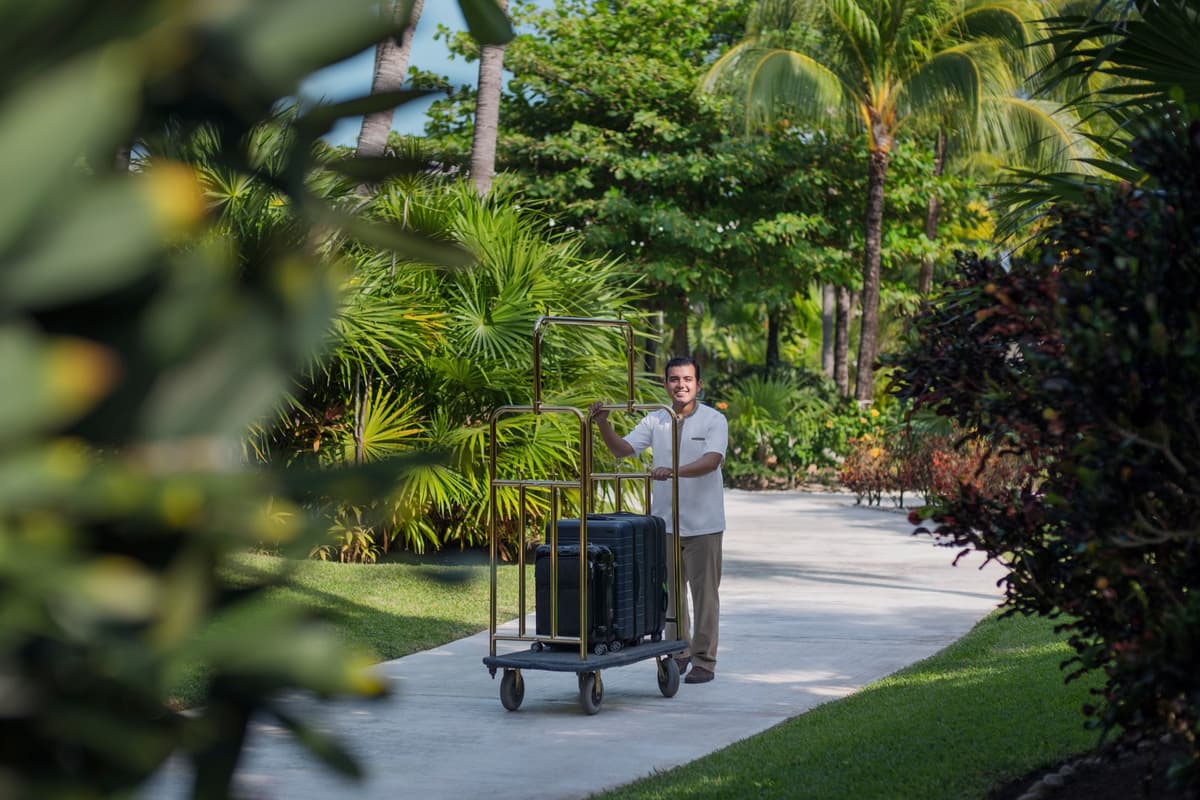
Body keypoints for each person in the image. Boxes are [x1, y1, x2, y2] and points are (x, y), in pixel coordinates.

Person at [589, 356, 728, 684]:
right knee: (671, 595)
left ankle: (704, 660)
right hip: (664, 524)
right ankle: (679, 652)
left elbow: (712, 460)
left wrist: (673, 472)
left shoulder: (713, 420)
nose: (681, 385)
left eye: (688, 379)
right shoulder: (657, 420)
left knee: (705, 595)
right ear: (666, 384)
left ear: (698, 384)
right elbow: (623, 450)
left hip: (704, 525)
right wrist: (603, 424)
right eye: (674, 379)